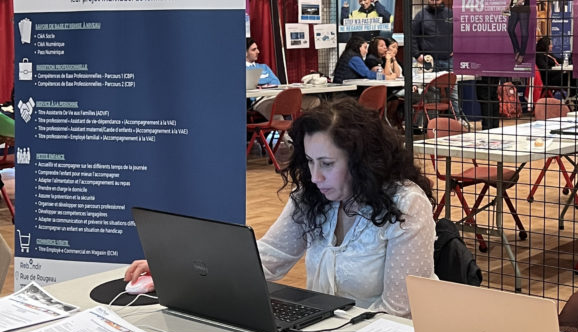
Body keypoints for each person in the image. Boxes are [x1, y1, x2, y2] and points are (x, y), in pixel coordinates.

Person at [126, 100, 436, 317]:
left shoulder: (407, 206)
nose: (315, 177)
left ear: (363, 162)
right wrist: (173, 267)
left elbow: (399, 312)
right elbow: (266, 259)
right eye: (310, 162)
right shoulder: (314, 198)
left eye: (327, 164)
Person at [411, 0, 463, 120]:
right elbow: (412, 37)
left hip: (448, 59)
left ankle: (457, 120)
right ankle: (433, 124)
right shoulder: (420, 16)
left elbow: (460, 33)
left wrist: (456, 48)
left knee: (453, 93)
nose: (434, 2)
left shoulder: (450, 15)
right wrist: (417, 55)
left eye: (437, 0)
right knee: (432, 94)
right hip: (429, 62)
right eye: (432, 0)